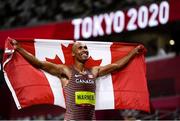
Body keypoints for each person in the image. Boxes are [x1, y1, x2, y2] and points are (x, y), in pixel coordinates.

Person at [11, 40, 144, 120]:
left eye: (86, 48)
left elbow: (117, 66)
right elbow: (40, 64)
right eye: (80, 48)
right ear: (73, 53)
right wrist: (20, 49)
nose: (84, 50)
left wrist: (133, 52)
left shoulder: (94, 71)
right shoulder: (66, 71)